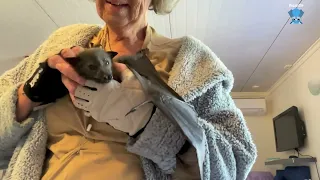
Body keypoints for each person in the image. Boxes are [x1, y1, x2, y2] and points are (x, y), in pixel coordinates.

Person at [0, 0, 257, 179]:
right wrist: (28, 95)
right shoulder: (62, 42)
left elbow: (233, 165)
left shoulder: (194, 65)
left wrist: (147, 120)